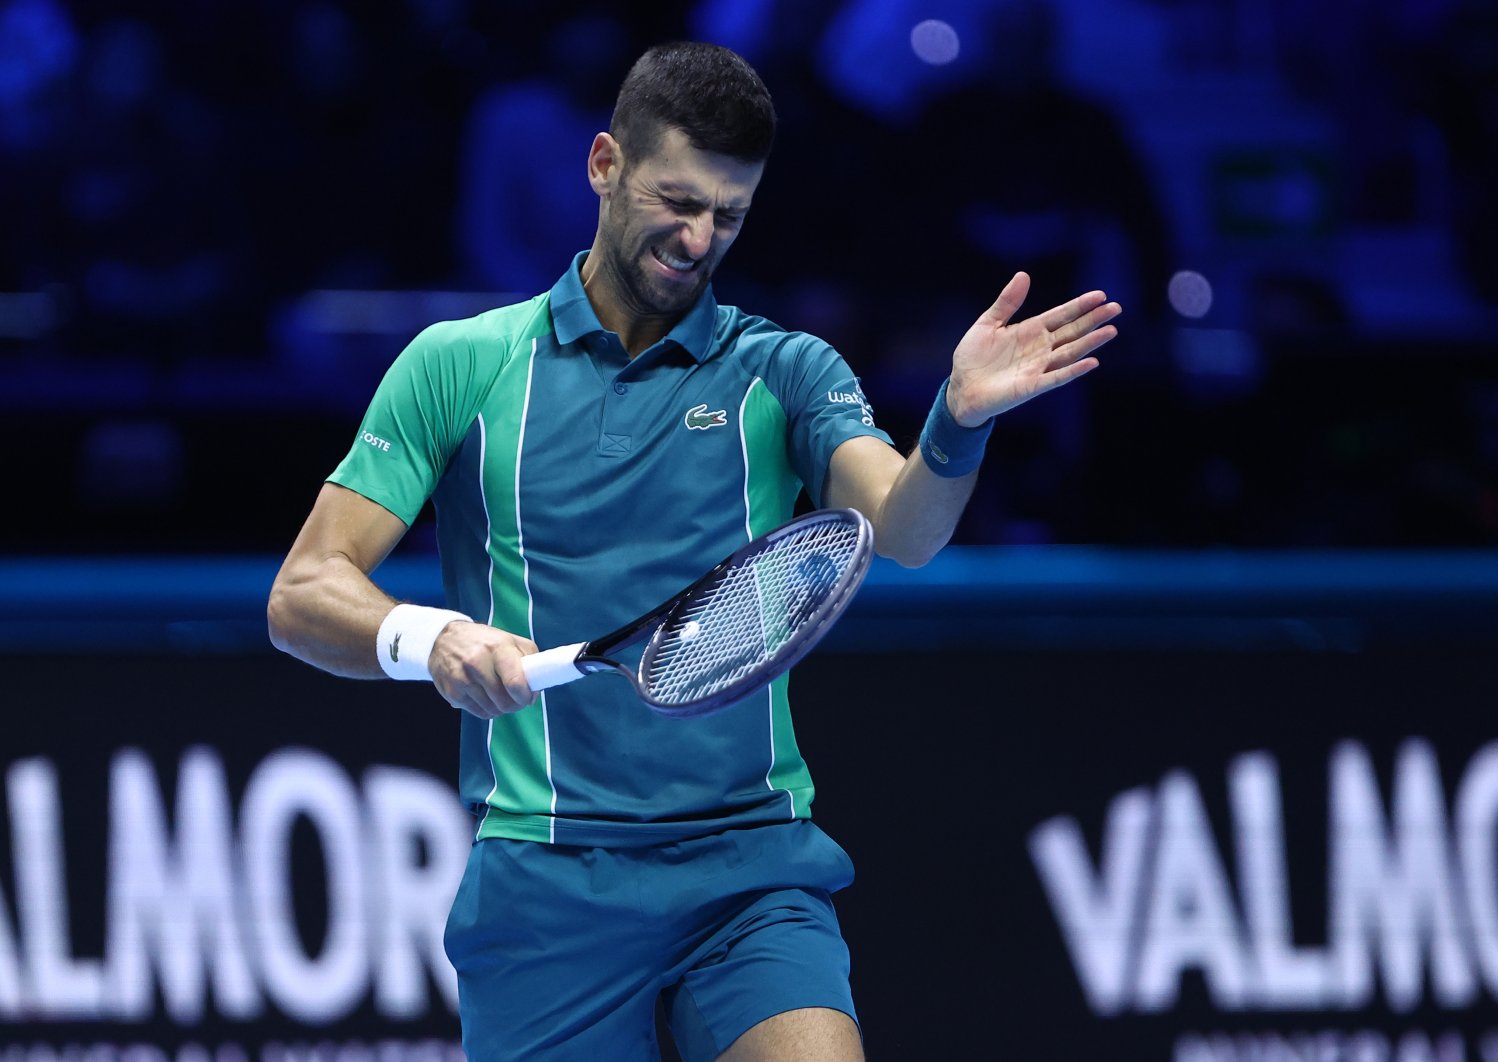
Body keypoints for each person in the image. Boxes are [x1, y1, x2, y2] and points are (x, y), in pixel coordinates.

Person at [267, 40, 1119, 1062]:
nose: (697, 237)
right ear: (603, 166)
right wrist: (432, 636)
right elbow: (306, 592)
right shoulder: (462, 365)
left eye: (728, 215)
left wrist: (957, 423)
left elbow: (903, 530)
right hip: (546, 883)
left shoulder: (785, 370)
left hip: (747, 868)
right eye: (676, 200)